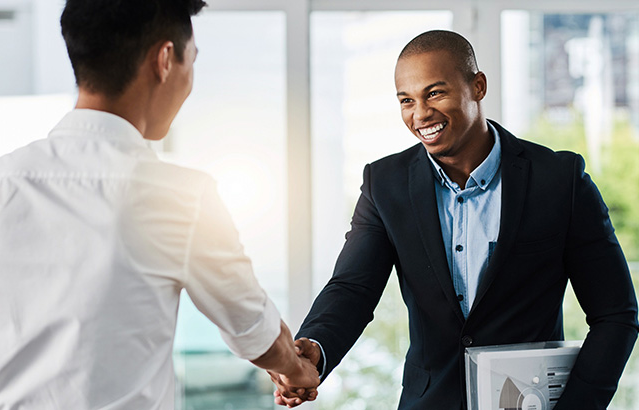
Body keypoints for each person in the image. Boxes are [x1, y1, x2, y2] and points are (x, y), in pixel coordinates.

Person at [270, 30, 638, 409]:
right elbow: (352, 289)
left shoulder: (559, 180)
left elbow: (616, 314)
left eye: (434, 93)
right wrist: (315, 348)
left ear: (477, 86)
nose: (420, 114)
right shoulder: (385, 184)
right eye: (406, 100)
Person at [0, 0, 318, 408]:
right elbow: (252, 327)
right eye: (192, 62)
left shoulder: (7, 178)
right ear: (165, 59)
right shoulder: (180, 197)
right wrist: (295, 369)